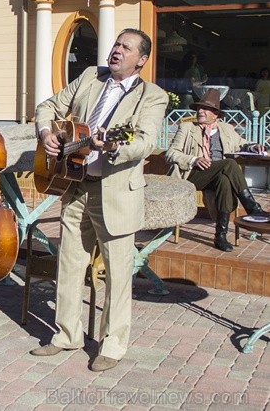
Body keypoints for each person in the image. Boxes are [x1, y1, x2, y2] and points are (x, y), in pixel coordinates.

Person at [31, 29, 168, 371]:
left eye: (126, 47)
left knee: (118, 273)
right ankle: (66, 335)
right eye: (116, 44)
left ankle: (113, 344)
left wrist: (112, 145)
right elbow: (48, 106)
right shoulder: (91, 76)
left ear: (142, 59)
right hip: (75, 183)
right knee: (70, 262)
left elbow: (144, 142)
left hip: (117, 192)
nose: (117, 51)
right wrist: (48, 133)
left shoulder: (152, 96)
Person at [165, 88, 266, 252]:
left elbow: (241, 143)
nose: (200, 111)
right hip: (192, 174)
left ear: (216, 114)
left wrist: (253, 146)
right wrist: (194, 159)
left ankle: (220, 236)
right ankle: (253, 208)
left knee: (225, 181)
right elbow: (171, 154)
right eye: (199, 108)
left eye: (205, 108)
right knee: (230, 164)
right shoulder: (187, 128)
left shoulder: (225, 128)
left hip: (217, 175)